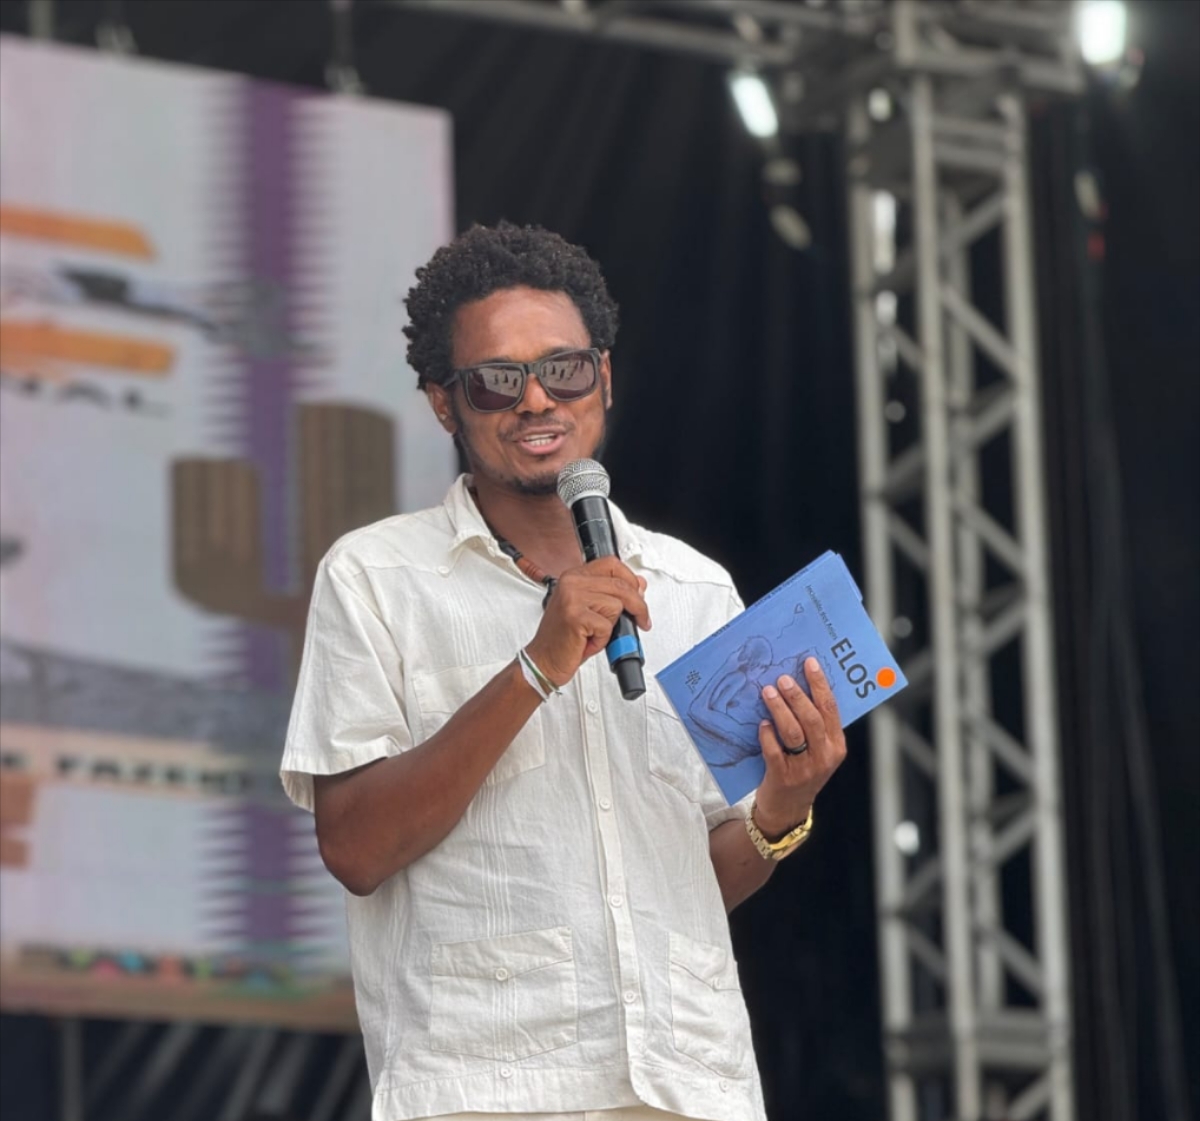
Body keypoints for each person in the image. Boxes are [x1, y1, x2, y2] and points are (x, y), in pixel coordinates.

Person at [280, 222, 847, 1121]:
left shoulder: (697, 590)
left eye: (565, 369)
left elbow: (690, 884)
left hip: (689, 1089)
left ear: (605, 377)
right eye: (497, 381)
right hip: (488, 1090)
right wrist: (536, 669)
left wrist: (783, 806)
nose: (537, 399)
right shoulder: (376, 578)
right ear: (444, 404)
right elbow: (354, 848)